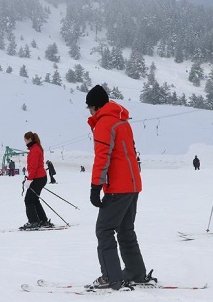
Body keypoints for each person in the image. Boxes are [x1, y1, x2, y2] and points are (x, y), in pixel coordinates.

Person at [85, 85, 155, 290]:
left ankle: (111, 277)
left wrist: (95, 186)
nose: (89, 111)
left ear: (96, 106)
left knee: (104, 229)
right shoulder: (122, 121)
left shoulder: (105, 123)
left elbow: (102, 157)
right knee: (125, 230)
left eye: (90, 107)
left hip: (117, 186)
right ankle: (136, 272)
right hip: (133, 185)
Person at [20, 131, 54, 230]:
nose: (25, 142)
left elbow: (34, 166)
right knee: (34, 199)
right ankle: (43, 220)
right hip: (39, 177)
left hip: (37, 178)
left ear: (29, 139)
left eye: (25, 140)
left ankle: (34, 221)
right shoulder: (35, 148)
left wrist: (29, 180)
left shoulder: (34, 150)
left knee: (29, 200)